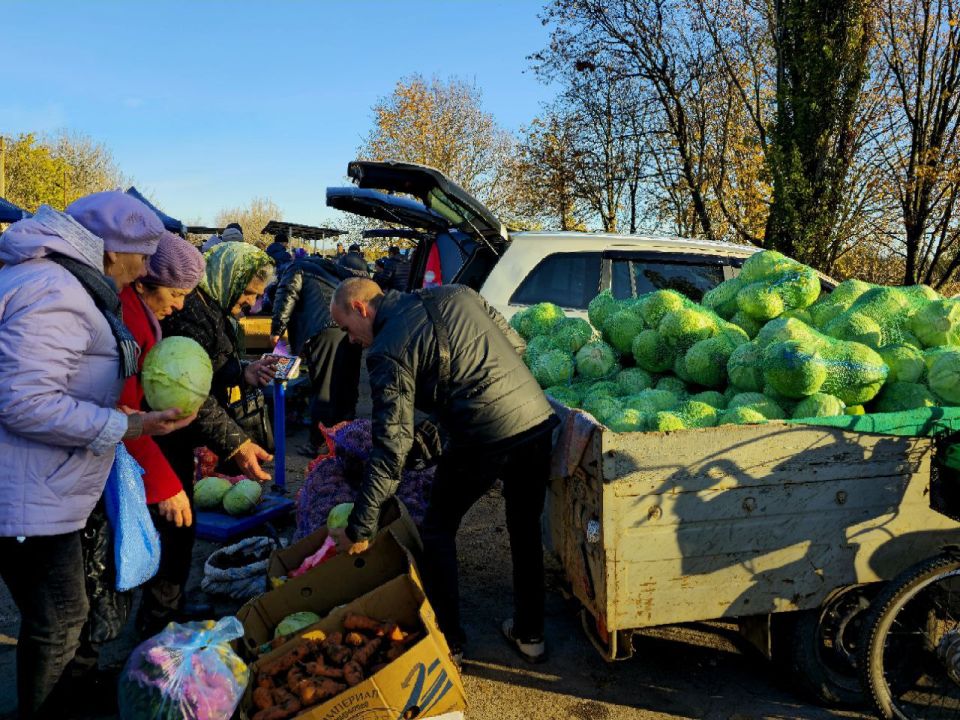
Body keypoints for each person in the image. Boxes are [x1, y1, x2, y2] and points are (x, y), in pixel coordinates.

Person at [0, 197, 195, 719]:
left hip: (43, 484)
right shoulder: (54, 290)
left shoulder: (66, 283)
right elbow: (23, 400)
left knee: (63, 617)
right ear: (115, 252)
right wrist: (123, 425)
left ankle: (64, 703)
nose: (146, 269)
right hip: (27, 491)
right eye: (143, 256)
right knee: (60, 619)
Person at [329, 278, 557, 664]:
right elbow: (515, 346)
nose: (350, 340)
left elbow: (391, 447)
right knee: (524, 526)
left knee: (436, 529)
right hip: (536, 422)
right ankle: (530, 634)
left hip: (482, 436)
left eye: (347, 329)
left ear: (360, 308)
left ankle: (450, 641)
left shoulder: (387, 350)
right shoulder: (459, 293)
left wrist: (360, 527)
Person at [151, 242, 277, 629]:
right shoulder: (188, 311)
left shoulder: (212, 309)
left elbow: (213, 365)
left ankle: (167, 608)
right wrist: (237, 444)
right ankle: (159, 618)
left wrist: (244, 372)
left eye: (258, 295)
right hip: (165, 435)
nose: (253, 304)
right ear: (228, 278)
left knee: (180, 527)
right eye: (250, 293)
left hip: (181, 434)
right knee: (175, 526)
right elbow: (192, 392)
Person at [117, 231, 208, 636]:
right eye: (175, 293)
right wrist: (163, 483)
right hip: (122, 456)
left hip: (139, 450)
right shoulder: (127, 321)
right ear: (144, 281)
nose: (180, 305)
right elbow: (122, 415)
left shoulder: (144, 316)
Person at [269, 253, 368, 456]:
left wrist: (276, 329)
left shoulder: (295, 268)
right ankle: (347, 437)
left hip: (324, 330)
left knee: (324, 386)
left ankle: (318, 442)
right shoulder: (330, 271)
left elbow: (286, 295)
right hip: (351, 327)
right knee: (347, 384)